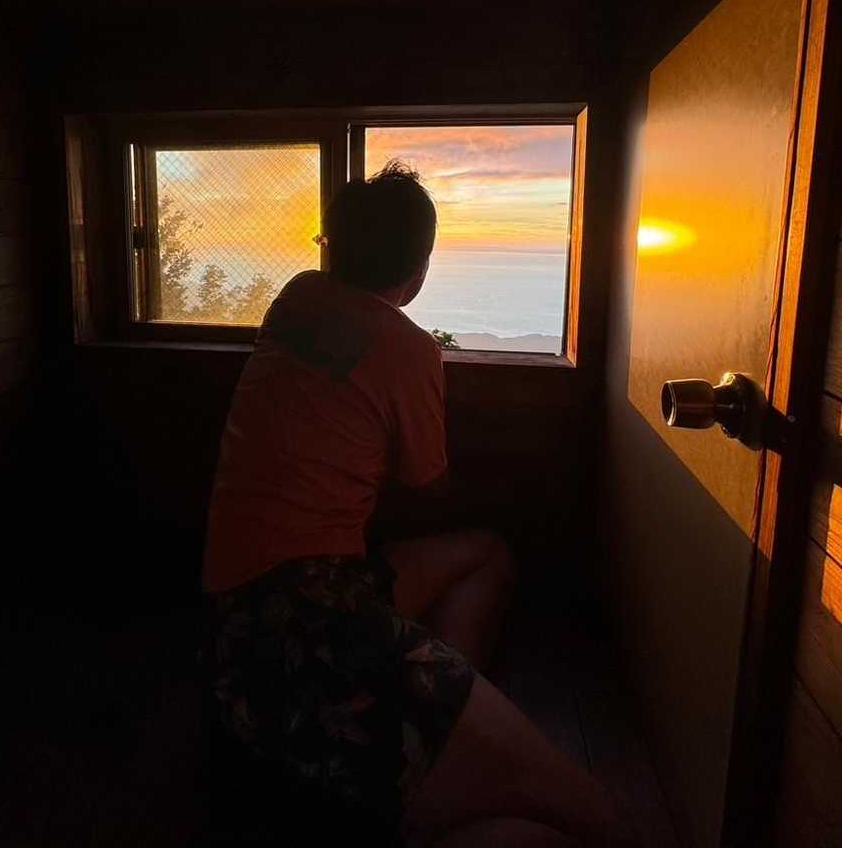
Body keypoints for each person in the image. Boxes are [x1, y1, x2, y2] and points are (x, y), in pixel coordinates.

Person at [200, 162, 635, 847]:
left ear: (331, 247)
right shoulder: (409, 349)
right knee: (594, 820)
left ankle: (430, 714)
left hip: (235, 631)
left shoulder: (293, 300)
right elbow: (427, 483)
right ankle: (423, 726)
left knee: (485, 556)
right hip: (318, 622)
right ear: (420, 267)